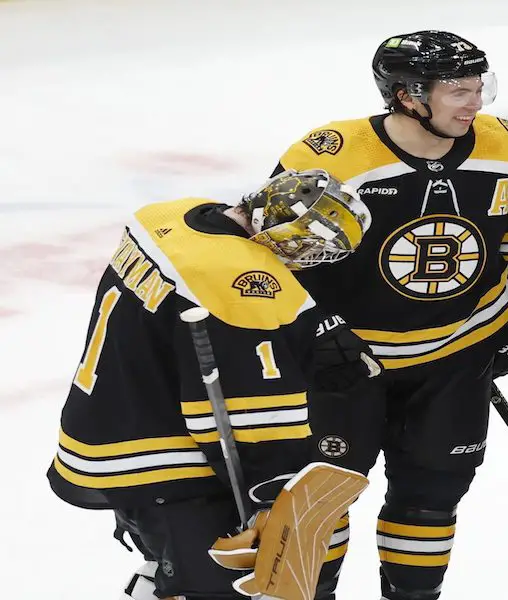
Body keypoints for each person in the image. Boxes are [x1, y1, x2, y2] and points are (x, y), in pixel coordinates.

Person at [271, 30, 508, 600]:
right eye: (457, 92)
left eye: (478, 88)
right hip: (346, 367)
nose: (475, 104)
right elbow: (277, 264)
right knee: (321, 495)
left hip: (455, 363)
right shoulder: (329, 159)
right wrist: (318, 330)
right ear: (406, 96)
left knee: (432, 498)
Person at [47, 169, 379, 600]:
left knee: (177, 563)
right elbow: (253, 418)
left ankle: (165, 574)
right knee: (221, 589)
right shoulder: (238, 281)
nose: (308, 261)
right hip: (156, 462)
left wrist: (309, 326)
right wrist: (272, 497)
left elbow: (216, 289)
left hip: (111, 419)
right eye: (310, 248)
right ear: (287, 235)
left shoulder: (167, 217)